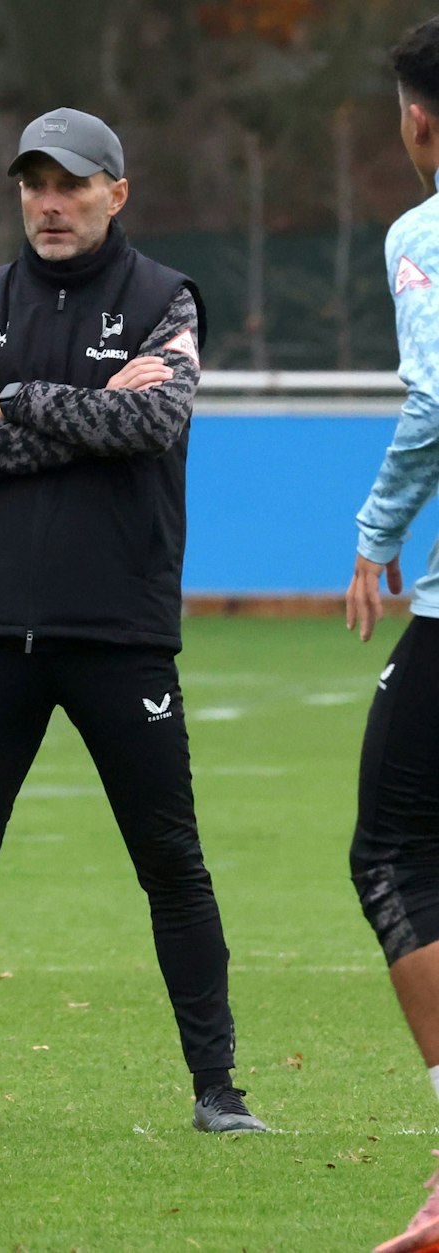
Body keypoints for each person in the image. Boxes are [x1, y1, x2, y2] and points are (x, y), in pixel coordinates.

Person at [0, 108, 266, 1135]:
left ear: (113, 193)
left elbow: (152, 419)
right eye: (33, 183)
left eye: (70, 184)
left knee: (169, 859)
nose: (48, 202)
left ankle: (217, 1089)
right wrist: (70, 409)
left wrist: (15, 400)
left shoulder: (165, 299)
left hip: (118, 632)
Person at [347, 20, 439, 1253]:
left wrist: (376, 530)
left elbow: (434, 396)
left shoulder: (420, 233)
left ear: (419, 121)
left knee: (395, 848)